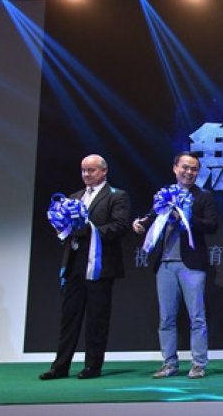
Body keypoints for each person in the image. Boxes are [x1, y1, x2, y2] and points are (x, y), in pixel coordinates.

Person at [40, 155, 131, 380]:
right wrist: (62, 227)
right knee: (69, 317)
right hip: (75, 263)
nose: (86, 175)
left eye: (91, 170)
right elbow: (67, 229)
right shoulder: (75, 197)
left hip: (100, 264)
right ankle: (60, 366)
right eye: (83, 170)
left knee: (97, 319)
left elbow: (120, 226)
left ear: (103, 171)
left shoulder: (116, 196)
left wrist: (89, 229)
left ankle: (93, 365)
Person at [132, 151, 218, 379]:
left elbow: (212, 225)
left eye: (194, 169)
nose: (189, 172)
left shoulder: (204, 196)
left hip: (192, 265)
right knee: (166, 318)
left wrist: (186, 219)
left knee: (197, 317)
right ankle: (169, 363)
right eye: (185, 167)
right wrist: (140, 224)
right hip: (165, 264)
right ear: (175, 168)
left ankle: (198, 363)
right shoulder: (164, 195)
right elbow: (151, 218)